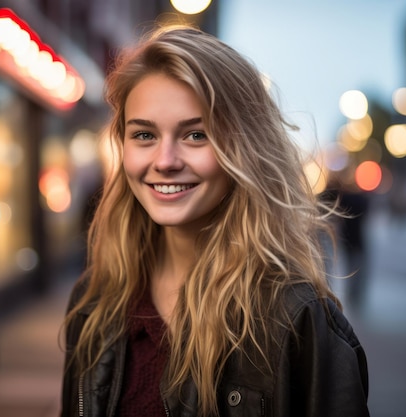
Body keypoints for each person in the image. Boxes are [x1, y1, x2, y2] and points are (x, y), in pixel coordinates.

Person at [61, 26, 369, 417]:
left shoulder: (296, 319)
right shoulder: (95, 303)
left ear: (243, 149)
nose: (165, 161)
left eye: (195, 135)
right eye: (144, 135)